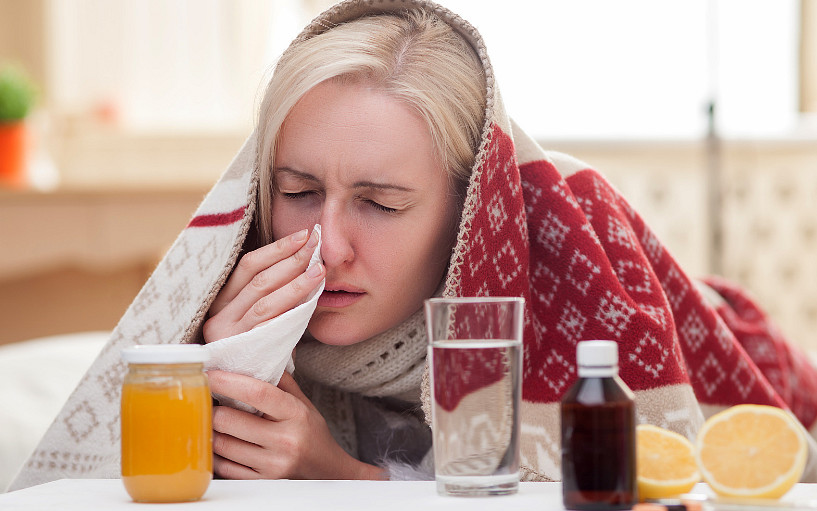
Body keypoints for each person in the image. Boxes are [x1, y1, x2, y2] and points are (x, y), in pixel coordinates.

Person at [11, 0, 817, 489]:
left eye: (381, 202)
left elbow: (643, 482)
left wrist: (348, 480)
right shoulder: (236, 291)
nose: (325, 244)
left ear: (475, 213)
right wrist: (227, 369)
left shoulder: (576, 261)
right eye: (296, 192)